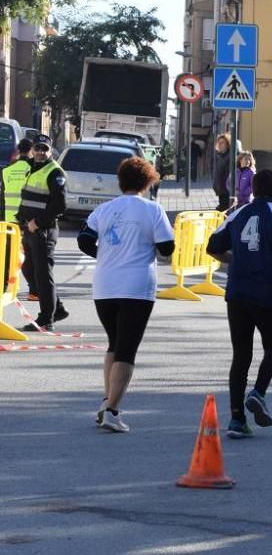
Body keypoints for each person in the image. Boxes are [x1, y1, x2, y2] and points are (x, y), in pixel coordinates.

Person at [77, 157, 175, 433]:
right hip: (137, 287)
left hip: (105, 285)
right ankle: (112, 410)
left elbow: (84, 239)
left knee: (114, 343)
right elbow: (167, 247)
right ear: (147, 182)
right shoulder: (152, 210)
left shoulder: (105, 209)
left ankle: (107, 400)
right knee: (127, 349)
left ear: (121, 181)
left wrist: (107, 254)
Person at [206, 170, 272, 439]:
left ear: (254, 189)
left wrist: (235, 260)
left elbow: (211, 247)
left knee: (241, 355)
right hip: (267, 293)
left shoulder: (237, 213)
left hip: (237, 293)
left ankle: (236, 419)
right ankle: (259, 392)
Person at [17, 135, 68, 330]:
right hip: (29, 229)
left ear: (50, 150)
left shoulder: (54, 172)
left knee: (42, 275)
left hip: (43, 230)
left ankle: (47, 319)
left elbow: (60, 205)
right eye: (37, 148)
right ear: (33, 149)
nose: (40, 152)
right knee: (29, 270)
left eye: (44, 149)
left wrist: (37, 222)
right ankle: (58, 309)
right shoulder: (33, 167)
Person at [1, 138, 37, 299]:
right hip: (28, 220)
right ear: (31, 151)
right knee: (30, 256)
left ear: (18, 150)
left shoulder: (7, 170)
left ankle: (4, 287)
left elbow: (2, 198)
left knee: (7, 254)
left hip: (9, 220)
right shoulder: (33, 169)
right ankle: (33, 291)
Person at [212, 134, 232, 212]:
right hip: (221, 191)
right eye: (219, 143)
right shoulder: (221, 156)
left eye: (222, 143)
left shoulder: (229, 156)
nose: (220, 145)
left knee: (224, 212)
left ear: (227, 144)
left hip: (226, 191)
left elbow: (229, 175)